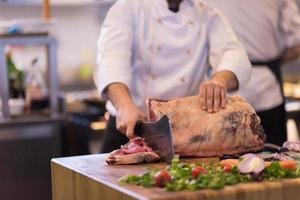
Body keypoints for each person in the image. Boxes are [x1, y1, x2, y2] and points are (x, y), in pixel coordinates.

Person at [95, 0, 251, 153]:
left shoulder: (208, 14)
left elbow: (233, 53)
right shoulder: (127, 8)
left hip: (185, 132)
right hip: (131, 127)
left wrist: (220, 80)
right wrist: (124, 106)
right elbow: (111, 58)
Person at [208, 0, 300, 145]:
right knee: (273, 159)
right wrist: (273, 62)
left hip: (222, 96)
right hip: (260, 88)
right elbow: (296, 44)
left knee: (222, 162)